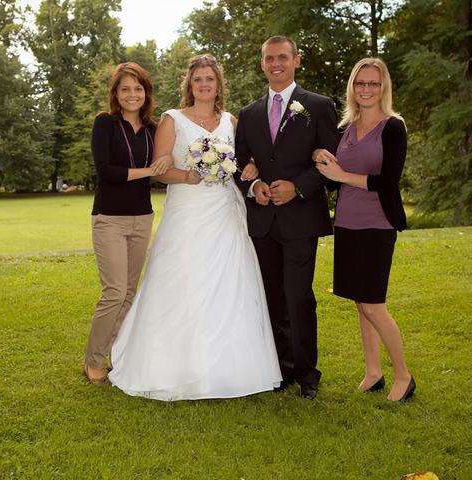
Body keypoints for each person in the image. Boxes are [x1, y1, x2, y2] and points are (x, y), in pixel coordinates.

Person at [108, 54, 282, 401]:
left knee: (231, 284)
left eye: (210, 79)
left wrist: (250, 165)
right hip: (187, 212)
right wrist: (186, 176)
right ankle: (175, 366)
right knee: (184, 280)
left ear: (218, 85)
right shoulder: (172, 120)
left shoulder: (231, 121)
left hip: (224, 212)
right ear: (189, 84)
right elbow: (160, 169)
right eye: (198, 79)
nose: (204, 85)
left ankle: (231, 369)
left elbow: (244, 160)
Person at [234, 36, 339, 400]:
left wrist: (299, 187)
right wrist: (255, 186)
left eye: (282, 57)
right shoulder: (248, 114)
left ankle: (308, 372)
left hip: (301, 218)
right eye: (269, 58)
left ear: (296, 60)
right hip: (263, 221)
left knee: (298, 296)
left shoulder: (319, 106)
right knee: (273, 298)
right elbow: (239, 165)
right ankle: (281, 369)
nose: (275, 63)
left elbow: (332, 162)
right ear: (261, 63)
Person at [314, 57, 415, 402]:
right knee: (361, 302)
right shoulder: (345, 129)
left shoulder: (393, 127)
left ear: (383, 87)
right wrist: (320, 158)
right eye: (361, 83)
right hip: (347, 223)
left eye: (373, 83)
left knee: (374, 304)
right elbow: (332, 180)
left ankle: (404, 376)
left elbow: (388, 181)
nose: (366, 89)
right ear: (353, 88)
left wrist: (341, 175)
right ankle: (373, 373)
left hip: (377, 224)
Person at [84, 62, 171, 385]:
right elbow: (107, 171)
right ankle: (93, 361)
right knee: (115, 292)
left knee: (129, 293)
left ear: (146, 93)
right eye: (125, 89)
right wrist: (150, 171)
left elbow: (167, 163)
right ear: (116, 94)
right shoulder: (105, 123)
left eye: (138, 88)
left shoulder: (153, 129)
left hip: (142, 218)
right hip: (109, 218)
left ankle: (116, 357)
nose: (132, 94)